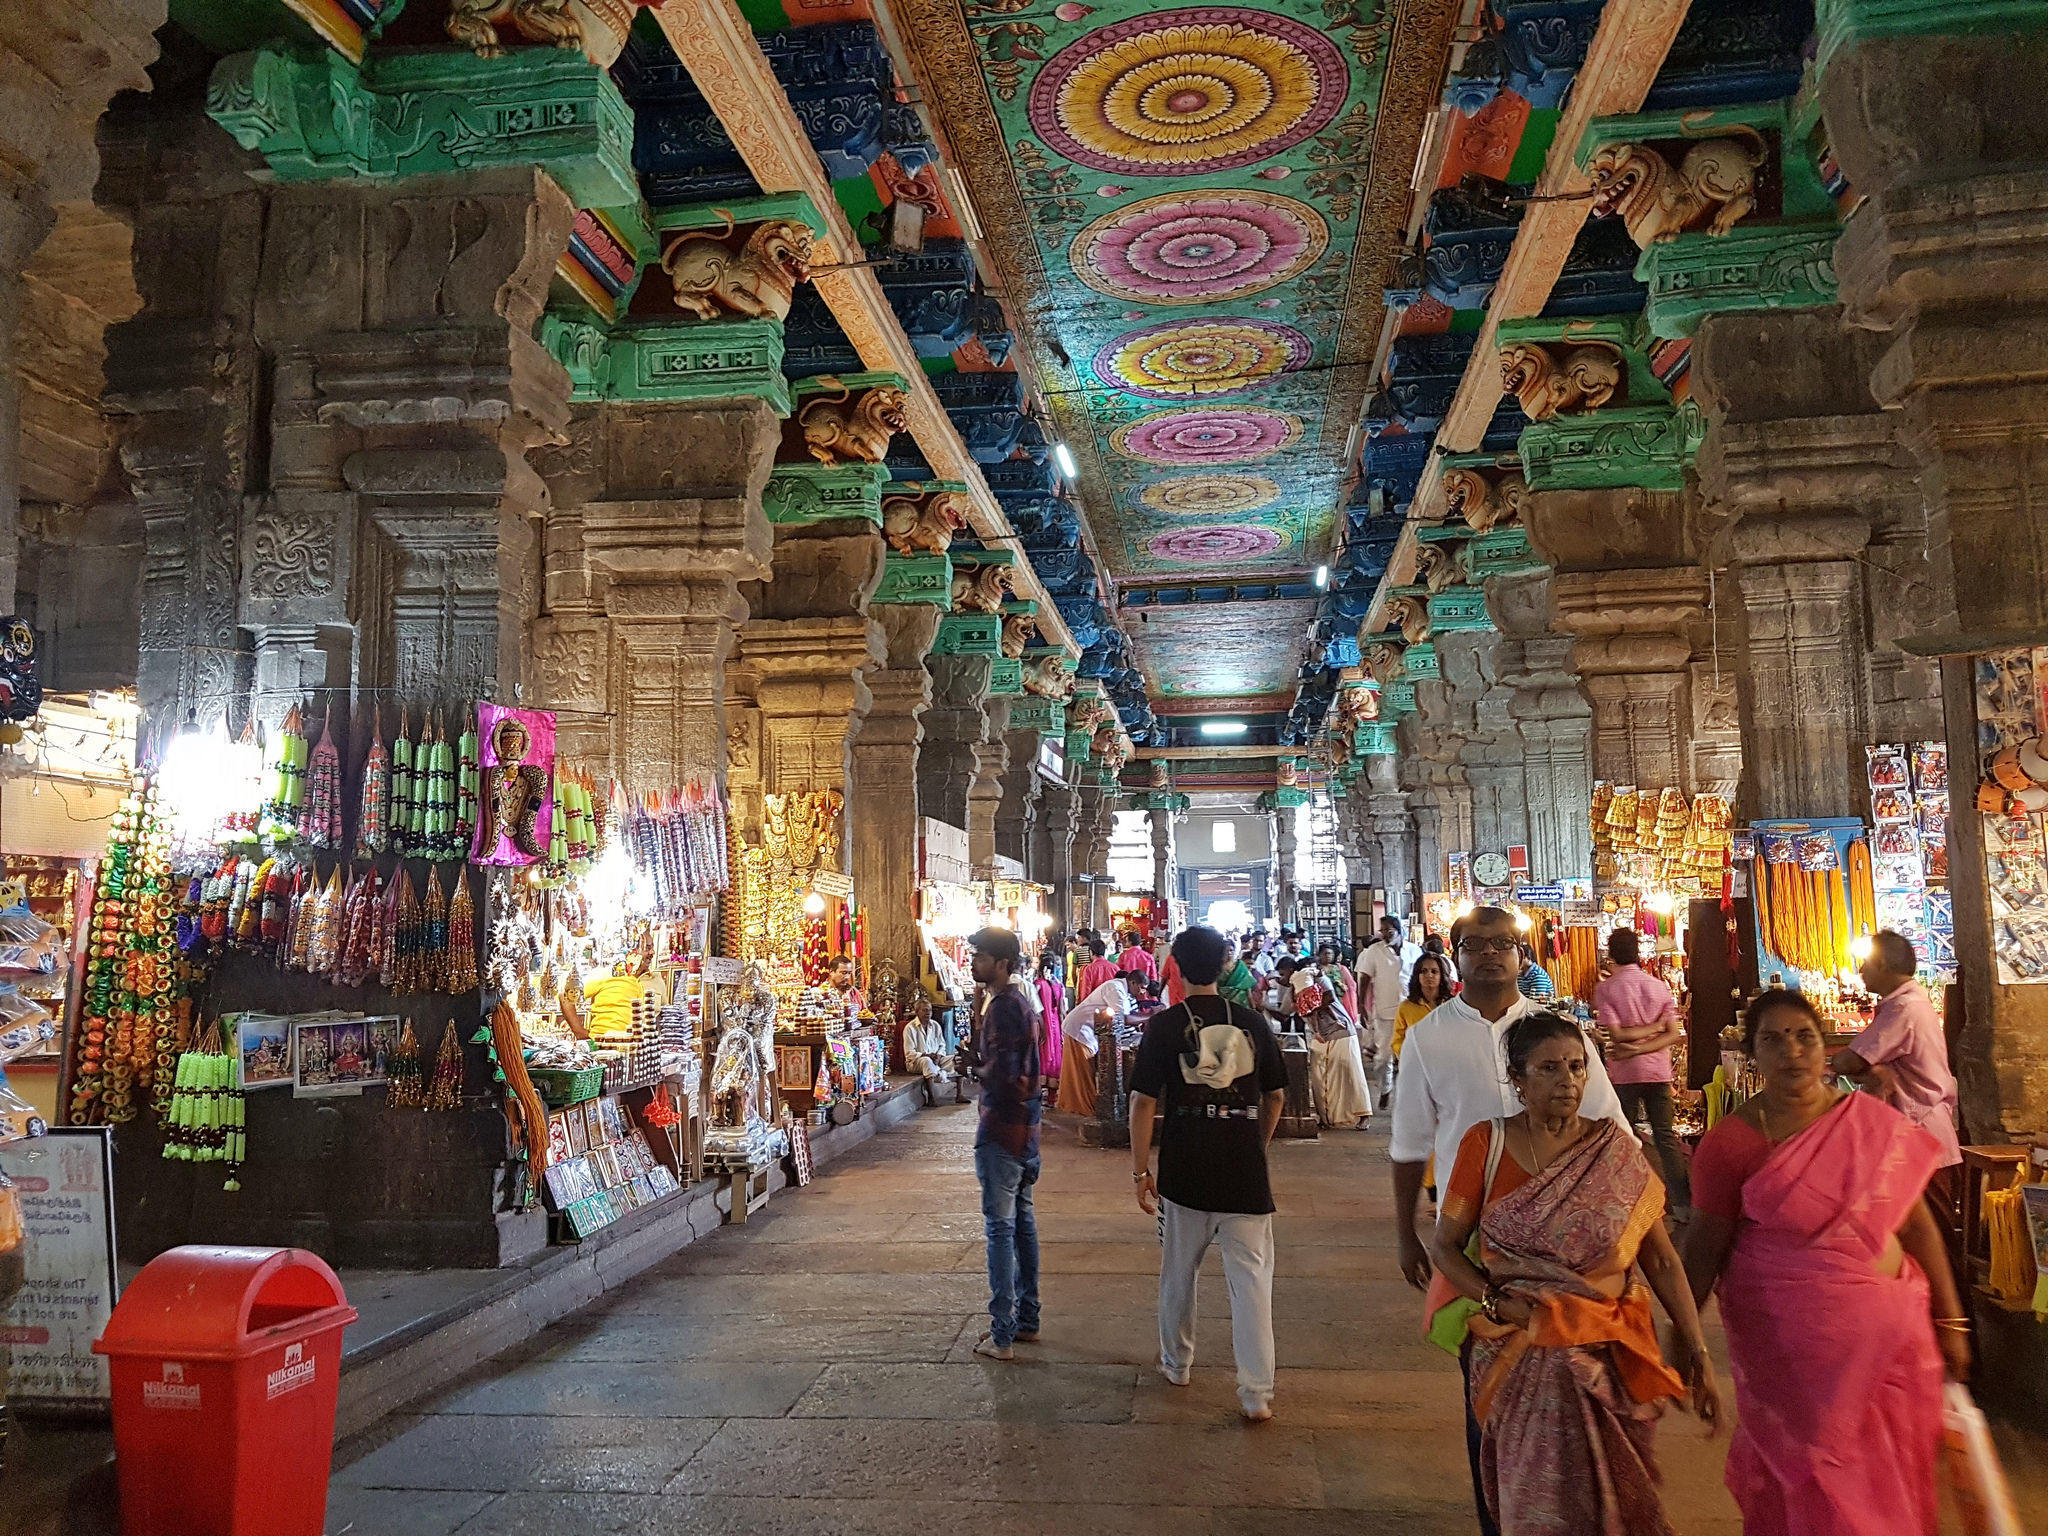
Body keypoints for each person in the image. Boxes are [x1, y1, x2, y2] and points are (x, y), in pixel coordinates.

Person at [1683, 989, 1967, 1536]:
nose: (1791, 1051)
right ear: (1753, 1054)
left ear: (1825, 1048)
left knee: (1890, 1470)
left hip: (1891, 1342)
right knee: (1813, 1469)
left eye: (1804, 1037)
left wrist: (1951, 1318)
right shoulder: (1730, 1144)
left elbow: (1916, 1226)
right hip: (1791, 1352)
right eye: (1773, 1039)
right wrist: (1687, 1334)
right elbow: (1704, 1247)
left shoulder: (1870, 1122)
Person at [1389, 904, 1631, 1536]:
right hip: (1474, 1249)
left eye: (1503, 944)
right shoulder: (1429, 1036)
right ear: (1455, 955)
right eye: (1476, 945)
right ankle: (1500, 1516)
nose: (1491, 954)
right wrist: (1406, 1231)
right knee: (1491, 1396)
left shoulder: (1559, 1036)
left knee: (1579, 1397)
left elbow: (1614, 1136)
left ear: (1522, 954)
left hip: (1569, 1253)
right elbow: (1411, 1144)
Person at [1428, 1011, 1718, 1536]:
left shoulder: (1615, 1150)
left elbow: (1660, 1259)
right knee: (1532, 1506)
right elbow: (1445, 1247)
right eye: (1549, 1069)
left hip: (1604, 1349)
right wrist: (1498, 1303)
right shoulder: (1485, 1144)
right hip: (1516, 1348)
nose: (1568, 1080)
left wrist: (1696, 1347)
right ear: (1517, 1079)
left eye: (1577, 1067)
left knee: (1617, 1502)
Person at [1129, 925, 1290, 1421]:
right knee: (1253, 1284)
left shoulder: (1163, 1026)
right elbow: (1277, 1095)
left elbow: (1142, 1102)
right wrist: (1254, 1145)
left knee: (1179, 1272)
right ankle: (1256, 1393)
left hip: (1185, 1165)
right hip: (1244, 1171)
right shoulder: (1252, 1022)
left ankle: (1178, 1364)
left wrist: (1140, 1173)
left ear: (1174, 965)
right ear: (1225, 964)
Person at [1831, 929, 1962, 1201]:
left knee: (1930, 1232)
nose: (1862, 970)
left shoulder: (1904, 1008)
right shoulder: (1905, 1004)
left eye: (1867, 964)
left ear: (1883, 965)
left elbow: (1851, 1059)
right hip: (1915, 1135)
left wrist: (1836, 1062)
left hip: (1921, 1135)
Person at [968, 926, 1042, 1361]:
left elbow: (1005, 1075)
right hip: (1027, 1129)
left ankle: (1002, 1334)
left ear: (1002, 964)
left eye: (980, 957)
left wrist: (974, 1069)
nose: (973, 963)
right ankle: (1028, 1320)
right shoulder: (1020, 1003)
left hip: (1003, 1129)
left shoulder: (1003, 1008)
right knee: (1023, 1223)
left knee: (1001, 1228)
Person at [1594, 927, 1690, 1218]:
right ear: (1637, 953)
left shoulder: (1606, 989)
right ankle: (1683, 1206)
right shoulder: (1658, 986)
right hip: (1658, 1073)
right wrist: (1655, 1029)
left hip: (1624, 1073)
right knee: (1665, 1136)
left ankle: (1631, 1202)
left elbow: (1618, 1035)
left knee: (1623, 1137)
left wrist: (1633, 1049)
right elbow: (1672, 1033)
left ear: (1611, 955)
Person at [1277, 954, 1370, 1127]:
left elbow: (1330, 998)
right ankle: (1326, 1117)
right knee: (1319, 1078)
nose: (1280, 979)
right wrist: (1261, 1007)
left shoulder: (1318, 978)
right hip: (1319, 1035)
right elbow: (1284, 1013)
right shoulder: (1293, 989)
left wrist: (1308, 1005)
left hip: (1340, 1030)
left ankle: (1363, 1115)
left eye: (1282, 975)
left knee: (1350, 1071)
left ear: (1292, 971)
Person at [1059, 969, 1133, 1116]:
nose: (1142, 992)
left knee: (1080, 1071)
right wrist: (1150, 1016)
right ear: (1133, 982)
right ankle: (1084, 1106)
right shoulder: (1115, 988)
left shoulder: (1119, 988)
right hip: (1080, 1029)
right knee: (1082, 1072)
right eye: (1142, 987)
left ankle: (1075, 1104)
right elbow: (1123, 1018)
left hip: (1087, 1029)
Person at [1357, 916, 1406, 1106]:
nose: (1385, 934)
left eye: (1389, 931)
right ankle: (1386, 1088)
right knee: (1383, 1058)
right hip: (1385, 1012)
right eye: (1383, 931)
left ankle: (1407, 1096)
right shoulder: (1374, 952)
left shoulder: (1413, 951)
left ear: (1398, 930)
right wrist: (1361, 1005)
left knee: (1410, 1058)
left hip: (1410, 1012)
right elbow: (1365, 979)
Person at [1393, 950, 1451, 1069]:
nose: (1429, 975)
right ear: (1417, 976)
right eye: (1423, 971)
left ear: (1442, 976)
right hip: (1417, 1067)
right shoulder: (1406, 1007)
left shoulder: (1452, 1005)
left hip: (1448, 1067)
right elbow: (1398, 1041)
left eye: (1434, 971)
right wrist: (1409, 1059)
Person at [902, 994, 956, 1105]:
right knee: (926, 1061)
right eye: (925, 1010)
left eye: (930, 1011)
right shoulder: (910, 1028)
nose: (928, 1013)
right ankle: (931, 1097)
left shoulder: (935, 1025)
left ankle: (960, 1094)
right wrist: (927, 1055)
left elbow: (942, 1045)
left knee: (956, 1059)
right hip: (917, 1062)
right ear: (917, 1012)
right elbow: (909, 1054)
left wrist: (939, 1056)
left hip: (936, 1059)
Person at [1035, 952, 1066, 1091]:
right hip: (1056, 1027)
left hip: (1042, 1025)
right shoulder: (1058, 986)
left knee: (1042, 1056)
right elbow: (1062, 1011)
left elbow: (1033, 1008)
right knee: (1055, 1058)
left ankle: (1040, 1096)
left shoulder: (1038, 985)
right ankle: (1052, 1097)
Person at [1316, 941, 1361, 1030]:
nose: (1328, 956)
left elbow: (1349, 984)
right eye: (1325, 953)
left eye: (1331, 953)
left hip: (1338, 998)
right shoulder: (1316, 968)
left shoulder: (1338, 969)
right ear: (1319, 955)